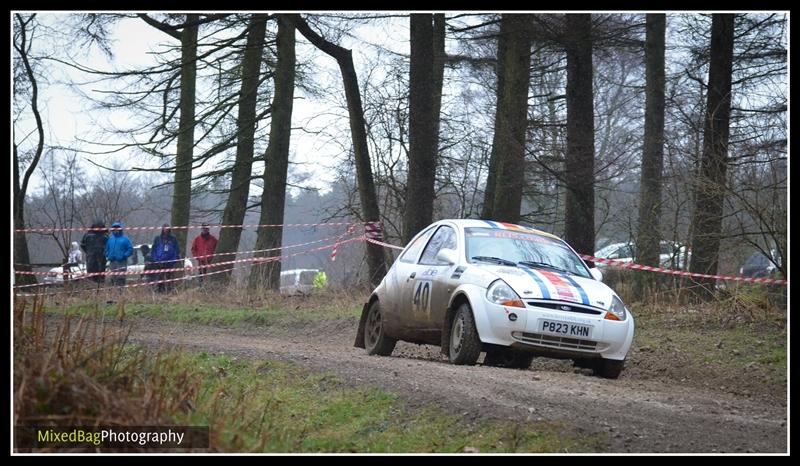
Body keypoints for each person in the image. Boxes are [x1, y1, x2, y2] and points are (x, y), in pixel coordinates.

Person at [151, 223, 181, 292]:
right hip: (159, 262)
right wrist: (156, 260)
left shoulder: (173, 239)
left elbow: (177, 250)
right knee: (160, 279)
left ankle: (169, 292)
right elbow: (153, 250)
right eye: (165, 229)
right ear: (162, 229)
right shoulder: (157, 239)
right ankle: (160, 292)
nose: (166, 230)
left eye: (167, 229)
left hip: (170, 262)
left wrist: (173, 260)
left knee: (169, 279)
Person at [105, 221, 134, 287]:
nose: (115, 230)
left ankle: (121, 294)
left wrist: (124, 256)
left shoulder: (125, 239)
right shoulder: (110, 239)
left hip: (121, 262)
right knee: (112, 279)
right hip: (112, 262)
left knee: (121, 278)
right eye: (114, 229)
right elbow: (106, 249)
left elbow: (130, 249)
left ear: (120, 229)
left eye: (117, 228)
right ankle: (114, 294)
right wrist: (108, 255)